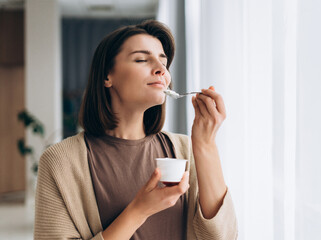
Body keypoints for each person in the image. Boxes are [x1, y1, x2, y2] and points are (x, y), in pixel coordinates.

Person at [34, 20, 238, 240]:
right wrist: (139, 210)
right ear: (106, 76)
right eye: (141, 59)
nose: (161, 69)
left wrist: (206, 144)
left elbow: (223, 237)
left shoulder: (184, 149)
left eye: (164, 62)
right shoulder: (59, 161)